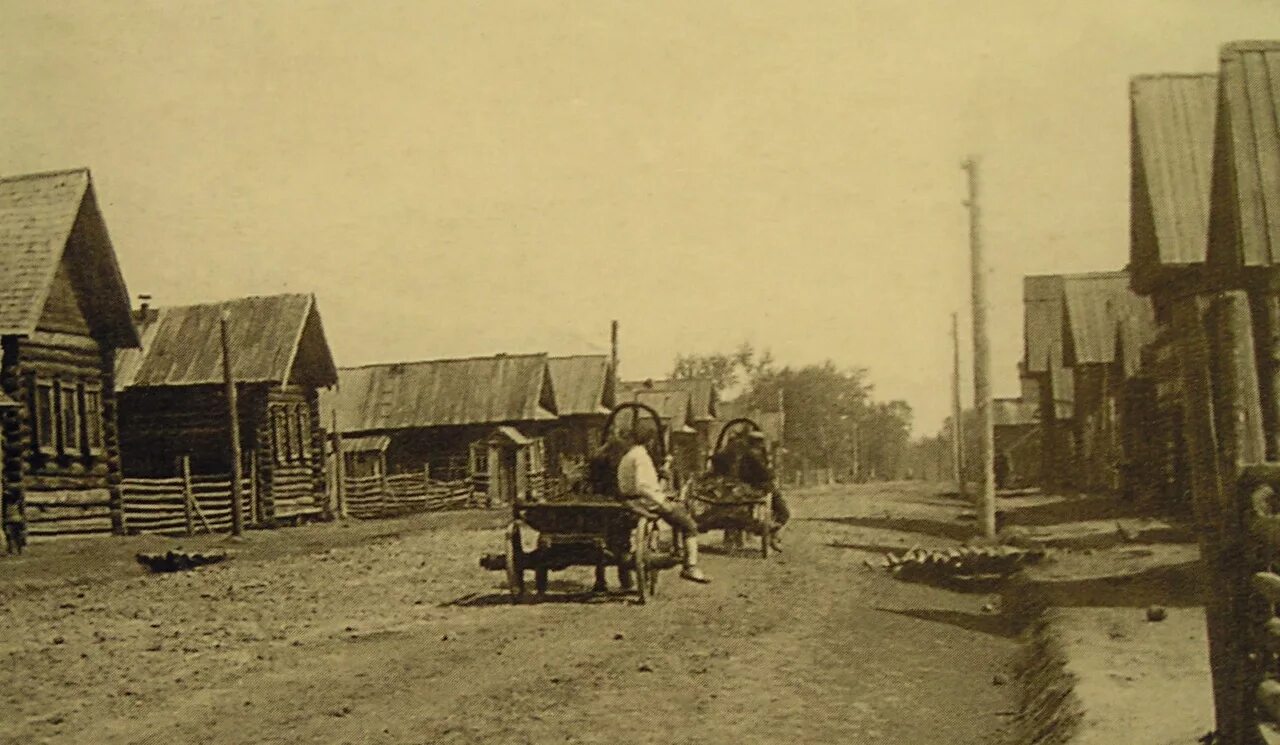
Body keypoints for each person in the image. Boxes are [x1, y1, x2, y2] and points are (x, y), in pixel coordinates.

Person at [616, 421, 711, 584]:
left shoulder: (629, 456)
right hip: (646, 502)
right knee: (688, 525)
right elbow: (642, 486)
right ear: (650, 441)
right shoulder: (641, 456)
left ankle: (677, 551)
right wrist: (661, 502)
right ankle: (690, 567)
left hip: (631, 500)